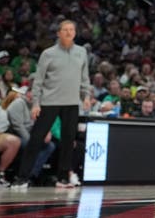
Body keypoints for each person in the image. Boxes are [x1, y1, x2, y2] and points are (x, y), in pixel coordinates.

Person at [12, 19, 91, 189]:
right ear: (58, 33)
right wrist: (35, 104)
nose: (69, 32)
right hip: (49, 102)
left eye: (71, 29)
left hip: (71, 103)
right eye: (65, 30)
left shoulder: (81, 52)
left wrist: (86, 96)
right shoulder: (48, 53)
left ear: (75, 33)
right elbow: (38, 81)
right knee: (36, 139)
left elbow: (84, 77)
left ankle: (63, 178)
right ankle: (22, 177)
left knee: (68, 141)